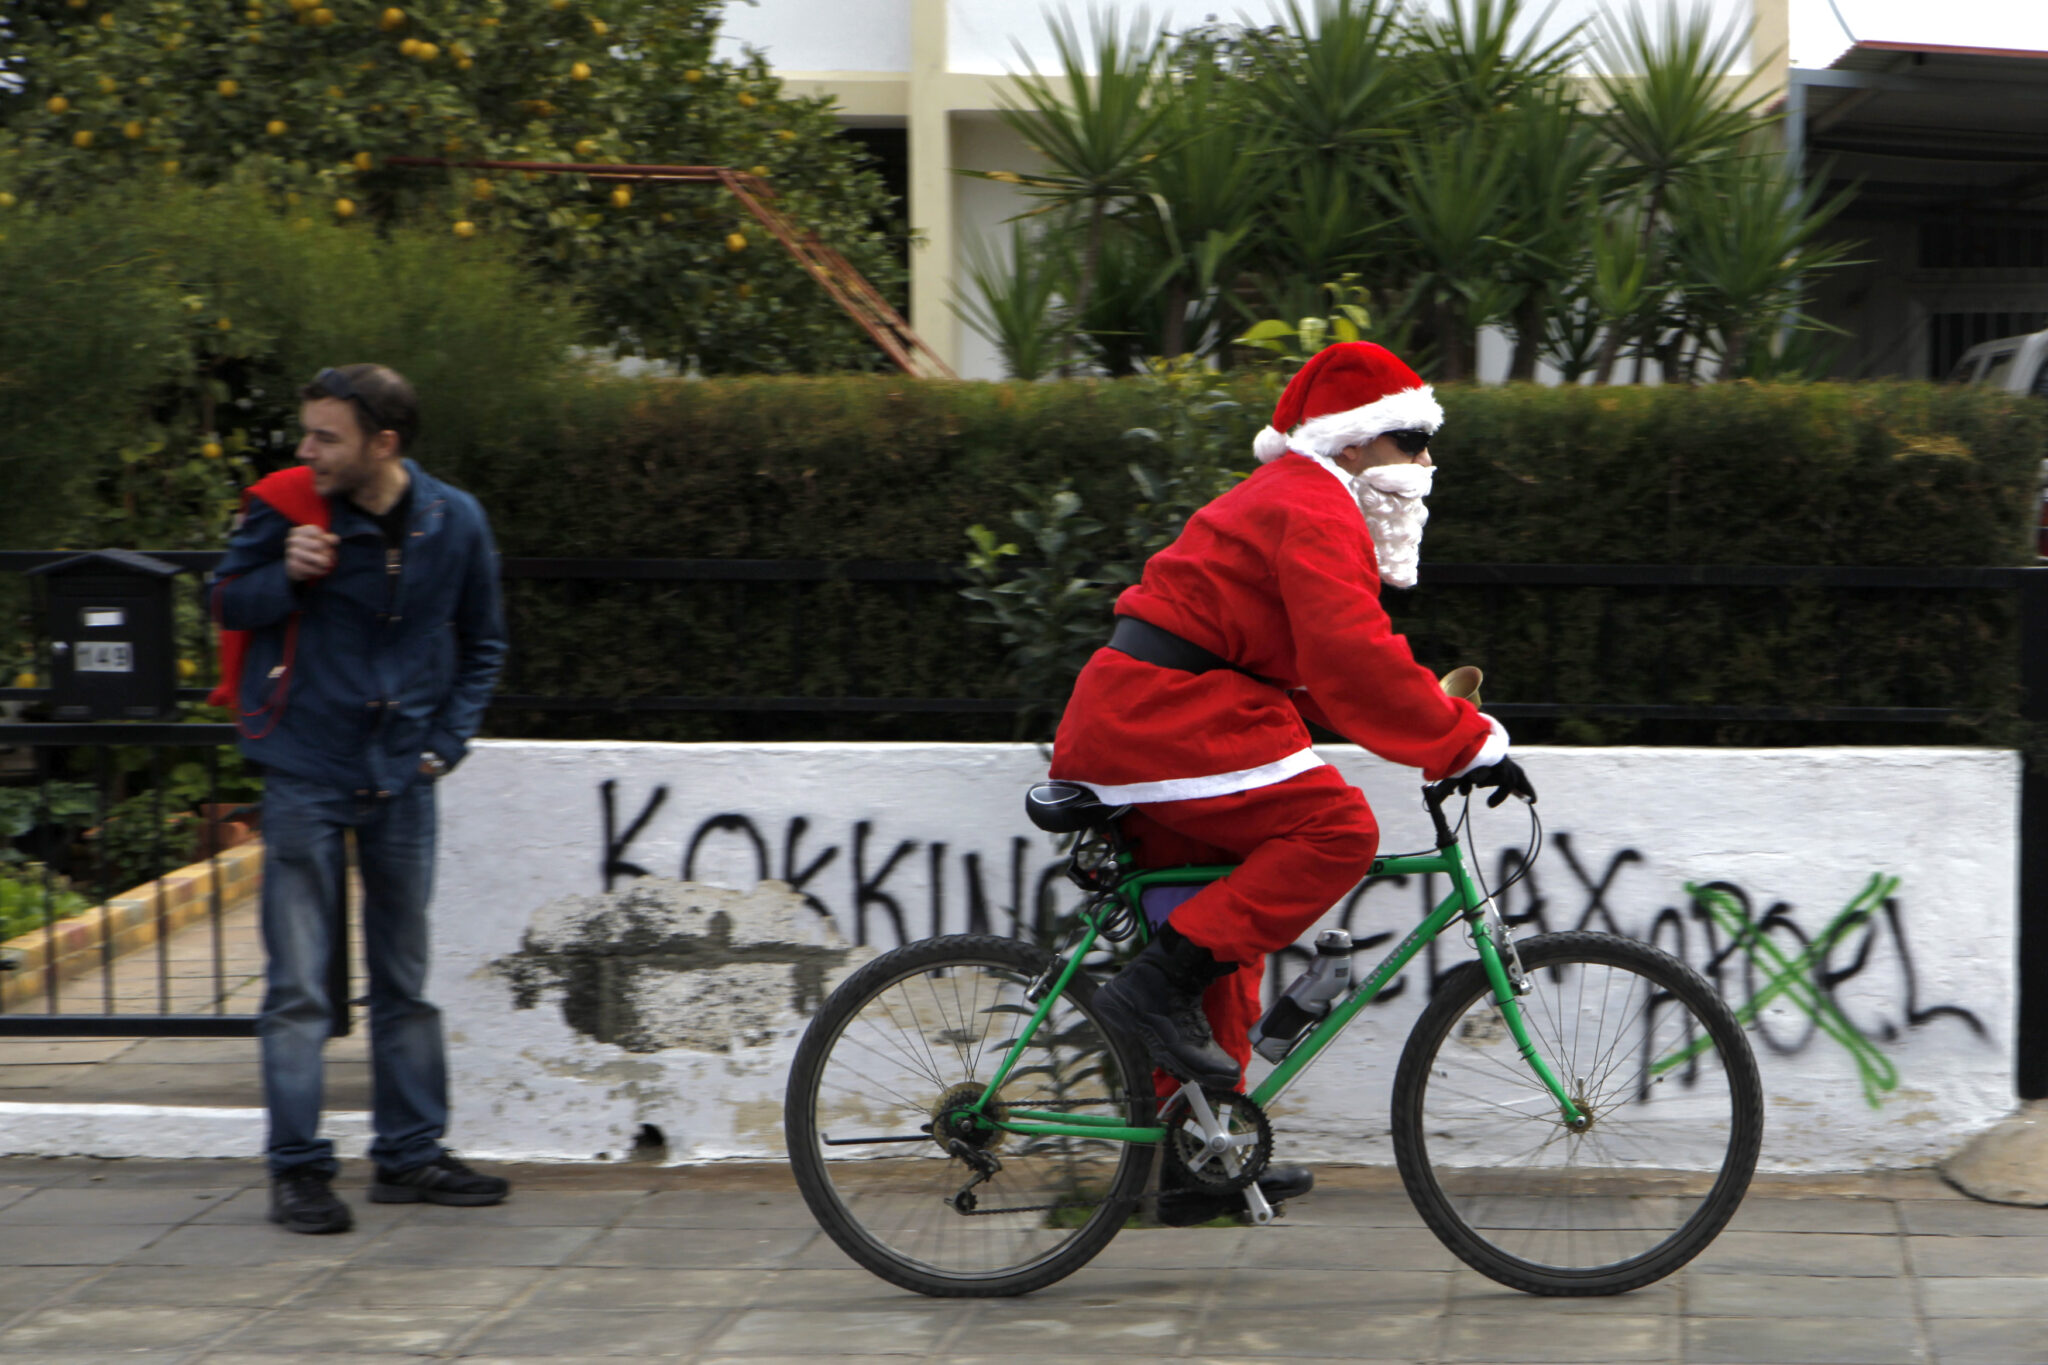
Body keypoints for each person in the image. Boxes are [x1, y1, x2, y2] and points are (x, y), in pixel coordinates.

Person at [1048, 341, 1533, 1223]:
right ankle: (1148, 992)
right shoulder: (1314, 504)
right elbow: (1350, 660)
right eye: (1410, 441)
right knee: (1337, 830)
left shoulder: (1300, 499)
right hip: (1165, 719)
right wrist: (1462, 744)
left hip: (1157, 716)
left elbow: (1329, 659)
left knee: (1217, 934)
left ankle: (1199, 1165)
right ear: (1351, 444)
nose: (1427, 463)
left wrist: (1434, 714)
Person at [213, 364, 510, 1234]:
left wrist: (442, 747)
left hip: (401, 779)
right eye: (305, 433)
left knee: (404, 982)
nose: (306, 451)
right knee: (299, 987)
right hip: (305, 769)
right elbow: (225, 599)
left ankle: (410, 1155)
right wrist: (285, 575)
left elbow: (484, 642)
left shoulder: (453, 520)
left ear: (384, 443)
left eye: (325, 436)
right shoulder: (285, 508)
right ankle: (299, 1170)